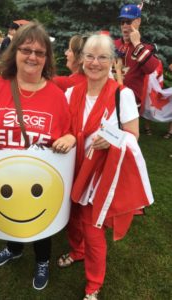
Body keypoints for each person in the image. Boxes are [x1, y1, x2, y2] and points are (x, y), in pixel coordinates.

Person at [0, 21, 76, 291]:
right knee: (9, 214)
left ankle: (42, 260)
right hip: (2, 175)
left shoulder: (57, 96)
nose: (32, 57)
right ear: (15, 52)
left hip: (41, 180)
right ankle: (14, 249)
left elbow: (70, 132)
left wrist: (69, 138)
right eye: (26, 50)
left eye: (39, 52)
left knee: (39, 221)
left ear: (46, 57)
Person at [57, 34, 153, 300]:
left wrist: (110, 140)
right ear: (81, 59)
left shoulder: (123, 95)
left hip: (100, 175)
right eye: (89, 56)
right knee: (72, 219)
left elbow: (133, 135)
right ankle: (77, 252)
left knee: (93, 229)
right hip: (72, 168)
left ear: (112, 61)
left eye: (102, 57)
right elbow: (64, 128)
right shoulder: (70, 93)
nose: (95, 62)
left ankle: (93, 286)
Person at [114, 4, 159, 135]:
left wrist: (137, 44)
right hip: (111, 98)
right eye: (122, 22)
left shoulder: (146, 47)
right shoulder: (114, 43)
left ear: (138, 22)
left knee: (127, 139)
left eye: (128, 22)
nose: (124, 26)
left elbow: (151, 68)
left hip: (131, 103)